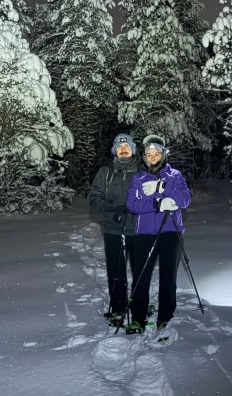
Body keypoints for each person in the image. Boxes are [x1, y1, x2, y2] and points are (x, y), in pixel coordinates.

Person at [125, 134, 191, 334]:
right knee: (140, 277)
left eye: (156, 154)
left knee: (168, 277)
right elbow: (132, 204)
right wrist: (157, 202)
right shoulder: (138, 178)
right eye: (148, 154)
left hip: (171, 232)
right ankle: (138, 318)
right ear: (144, 157)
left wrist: (163, 186)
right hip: (145, 234)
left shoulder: (175, 175)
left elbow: (185, 199)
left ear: (163, 154)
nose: (152, 158)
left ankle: (165, 317)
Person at [89, 133, 143, 327]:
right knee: (116, 272)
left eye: (126, 146)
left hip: (140, 231)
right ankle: (118, 309)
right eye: (119, 147)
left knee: (140, 272)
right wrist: (112, 206)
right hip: (114, 230)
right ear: (114, 150)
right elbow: (94, 199)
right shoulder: (106, 172)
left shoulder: (144, 171)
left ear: (133, 149)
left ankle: (139, 309)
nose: (123, 149)